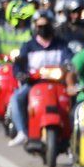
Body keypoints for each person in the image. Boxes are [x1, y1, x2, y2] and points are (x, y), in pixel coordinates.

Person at [8, 10, 73, 146]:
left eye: (46, 26)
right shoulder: (28, 46)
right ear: (35, 27)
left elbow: (70, 59)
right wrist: (21, 74)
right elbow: (18, 64)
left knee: (74, 98)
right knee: (17, 97)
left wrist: (68, 67)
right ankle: (22, 132)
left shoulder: (61, 44)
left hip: (59, 84)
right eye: (40, 26)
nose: (43, 29)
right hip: (34, 83)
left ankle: (73, 132)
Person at [0, 0, 34, 96]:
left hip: (22, 65)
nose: (23, 22)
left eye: (25, 19)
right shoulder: (0, 31)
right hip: (2, 64)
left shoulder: (30, 32)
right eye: (21, 20)